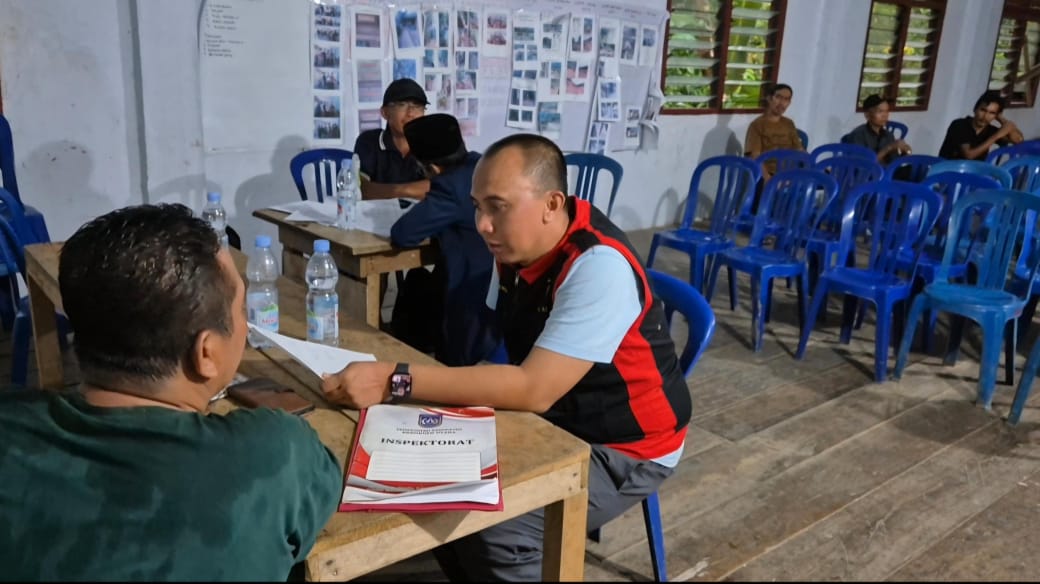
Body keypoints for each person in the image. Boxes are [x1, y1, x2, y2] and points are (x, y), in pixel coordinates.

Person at [323, 134, 691, 581]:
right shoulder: (518, 250)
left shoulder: (598, 266)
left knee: (492, 526)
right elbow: (498, 347)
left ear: (552, 204)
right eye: (477, 206)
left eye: (497, 206)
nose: (482, 224)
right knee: (426, 481)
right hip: (561, 412)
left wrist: (395, 380)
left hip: (625, 446)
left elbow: (533, 389)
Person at [0, 204, 342, 581]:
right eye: (242, 309)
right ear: (206, 353)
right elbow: (322, 489)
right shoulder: (273, 455)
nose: (245, 324)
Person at [389, 113, 498, 366]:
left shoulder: (448, 187)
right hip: (498, 285)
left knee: (416, 290)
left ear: (433, 168)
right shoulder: (481, 166)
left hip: (470, 297)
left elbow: (403, 234)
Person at [353, 78, 431, 200]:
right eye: (402, 105)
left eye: (417, 106)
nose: (411, 113)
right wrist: (413, 190)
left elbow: (441, 189)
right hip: (375, 216)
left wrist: (388, 191)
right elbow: (362, 190)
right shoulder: (368, 142)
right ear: (385, 113)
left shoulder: (433, 143)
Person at [938, 90, 1024, 160]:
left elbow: (1018, 140)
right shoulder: (960, 125)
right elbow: (969, 155)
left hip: (972, 175)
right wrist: (996, 136)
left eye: (992, 113)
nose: (985, 117)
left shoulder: (990, 130)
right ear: (975, 109)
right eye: (983, 110)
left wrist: (1002, 119)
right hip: (946, 173)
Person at [744, 83, 804, 182]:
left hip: (790, 173)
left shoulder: (789, 123)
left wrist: (820, 166)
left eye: (786, 99)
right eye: (778, 97)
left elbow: (800, 150)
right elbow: (754, 157)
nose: (782, 103)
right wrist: (768, 178)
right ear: (769, 98)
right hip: (768, 173)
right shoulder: (757, 125)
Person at [841, 94, 912, 165]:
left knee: (918, 168)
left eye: (887, 111)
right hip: (868, 174)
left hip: (887, 172)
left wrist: (904, 152)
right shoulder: (858, 135)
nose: (885, 115)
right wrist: (889, 148)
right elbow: (863, 165)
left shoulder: (888, 135)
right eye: (880, 111)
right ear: (867, 115)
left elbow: (894, 162)